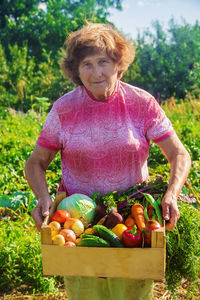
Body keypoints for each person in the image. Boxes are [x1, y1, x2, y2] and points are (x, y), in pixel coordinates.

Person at [25, 22, 191, 300]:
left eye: (103, 61)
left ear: (118, 64)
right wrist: (42, 197)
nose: (96, 72)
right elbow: (35, 162)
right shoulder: (64, 109)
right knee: (86, 292)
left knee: (131, 292)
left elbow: (179, 154)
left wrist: (172, 194)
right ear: (76, 70)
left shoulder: (142, 103)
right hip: (78, 228)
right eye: (86, 64)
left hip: (131, 223)